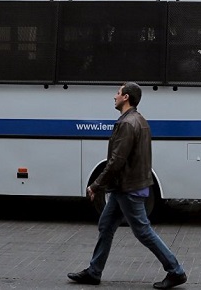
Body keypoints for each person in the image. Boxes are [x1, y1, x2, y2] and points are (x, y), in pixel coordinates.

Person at [67, 82, 187, 289]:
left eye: (118, 93)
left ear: (126, 98)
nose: (114, 96)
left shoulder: (127, 124)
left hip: (128, 188)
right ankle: (94, 272)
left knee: (143, 231)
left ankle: (176, 271)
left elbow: (116, 161)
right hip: (124, 187)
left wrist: (96, 185)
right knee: (106, 225)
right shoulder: (139, 120)